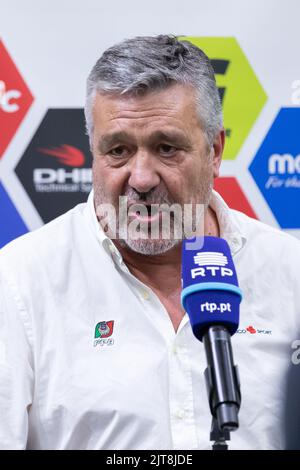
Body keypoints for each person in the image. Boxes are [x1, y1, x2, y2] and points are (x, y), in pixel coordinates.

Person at [0, 35, 299, 450]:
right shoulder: (19, 282)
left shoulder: (290, 272)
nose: (141, 178)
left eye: (166, 148)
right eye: (118, 150)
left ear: (215, 151)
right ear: (93, 152)